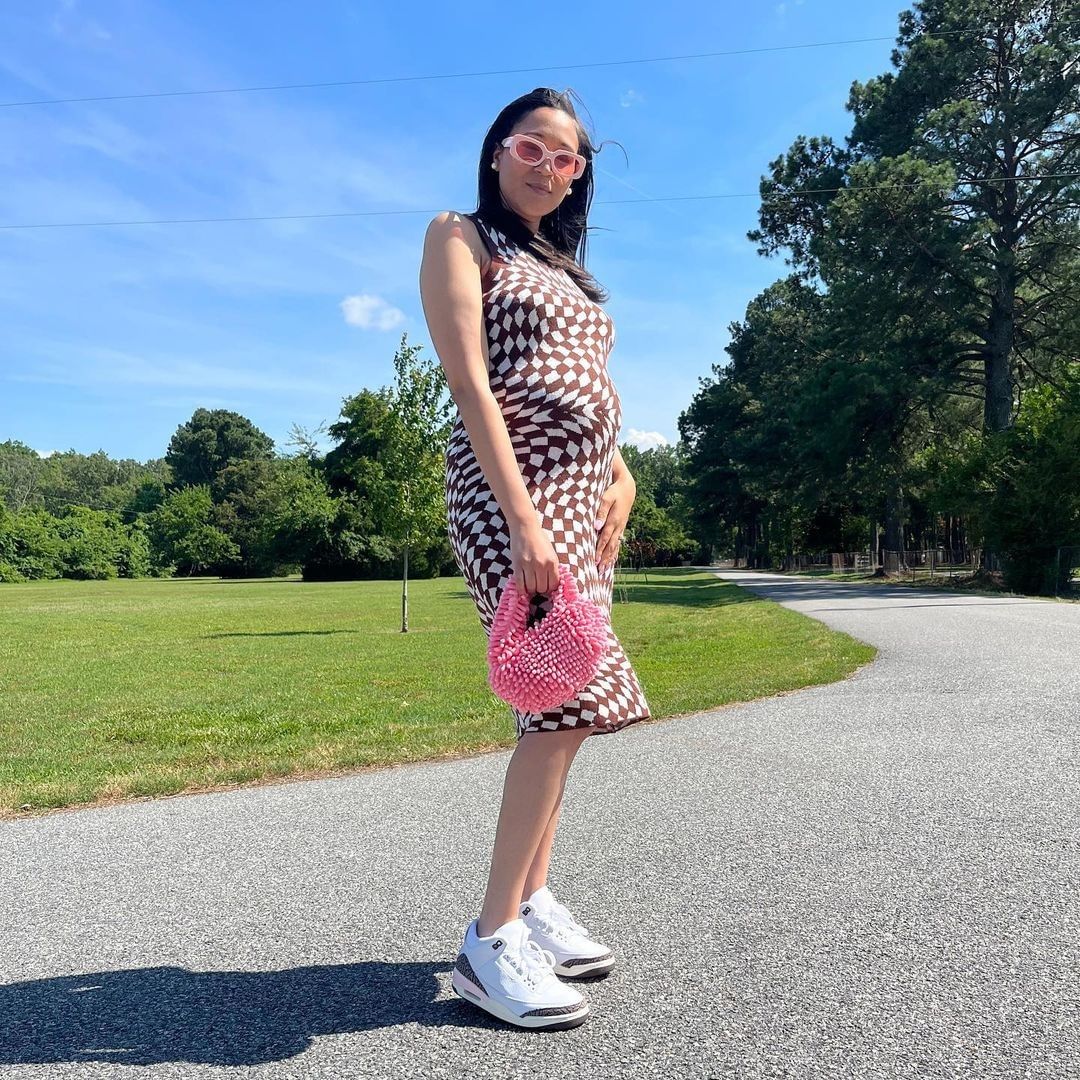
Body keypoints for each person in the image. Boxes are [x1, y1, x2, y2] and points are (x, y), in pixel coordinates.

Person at [418, 86, 651, 1031]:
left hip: (583, 497)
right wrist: (524, 521)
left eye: (568, 159)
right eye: (532, 148)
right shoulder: (459, 235)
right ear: (497, 150)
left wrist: (622, 474)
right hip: (513, 489)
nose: (549, 168)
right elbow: (472, 381)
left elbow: (587, 383)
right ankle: (491, 940)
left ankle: (533, 899)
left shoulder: (563, 266)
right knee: (560, 708)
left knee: (567, 706)